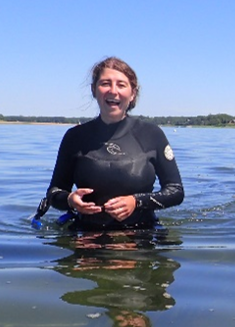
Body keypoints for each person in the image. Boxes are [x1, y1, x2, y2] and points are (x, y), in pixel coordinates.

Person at [42, 57, 184, 231]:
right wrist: (70, 200)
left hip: (140, 235)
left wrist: (136, 202)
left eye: (121, 85)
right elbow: (54, 192)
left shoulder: (152, 135)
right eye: (105, 83)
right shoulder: (75, 137)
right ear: (94, 90)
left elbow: (176, 191)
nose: (113, 91)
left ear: (132, 93)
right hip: (87, 236)